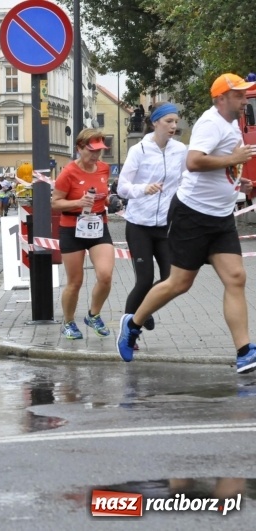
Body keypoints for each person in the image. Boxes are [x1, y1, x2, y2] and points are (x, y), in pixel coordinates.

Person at [118, 73, 256, 372]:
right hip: (192, 216)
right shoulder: (210, 122)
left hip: (220, 216)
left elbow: (218, 166)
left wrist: (237, 182)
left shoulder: (231, 124)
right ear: (221, 98)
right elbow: (195, 162)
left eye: (246, 95)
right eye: (239, 95)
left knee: (236, 278)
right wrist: (232, 160)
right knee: (179, 283)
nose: (245, 100)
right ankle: (133, 323)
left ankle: (245, 351)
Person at [117, 102, 187, 339]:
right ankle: (129, 332)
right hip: (139, 225)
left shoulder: (180, 150)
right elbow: (122, 187)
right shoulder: (140, 150)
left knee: (171, 280)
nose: (173, 126)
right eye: (169, 121)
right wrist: (143, 189)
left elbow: (191, 179)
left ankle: (144, 309)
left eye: (176, 122)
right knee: (144, 280)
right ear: (155, 122)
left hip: (167, 227)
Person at [51, 128, 114, 340]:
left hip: (98, 226)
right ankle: (68, 322)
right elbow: (56, 203)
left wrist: (109, 201)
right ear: (79, 148)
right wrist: (78, 202)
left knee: (105, 276)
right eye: (92, 150)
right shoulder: (68, 173)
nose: (96, 155)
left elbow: (103, 195)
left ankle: (93, 315)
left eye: (99, 151)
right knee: (75, 281)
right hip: (72, 228)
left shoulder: (104, 169)